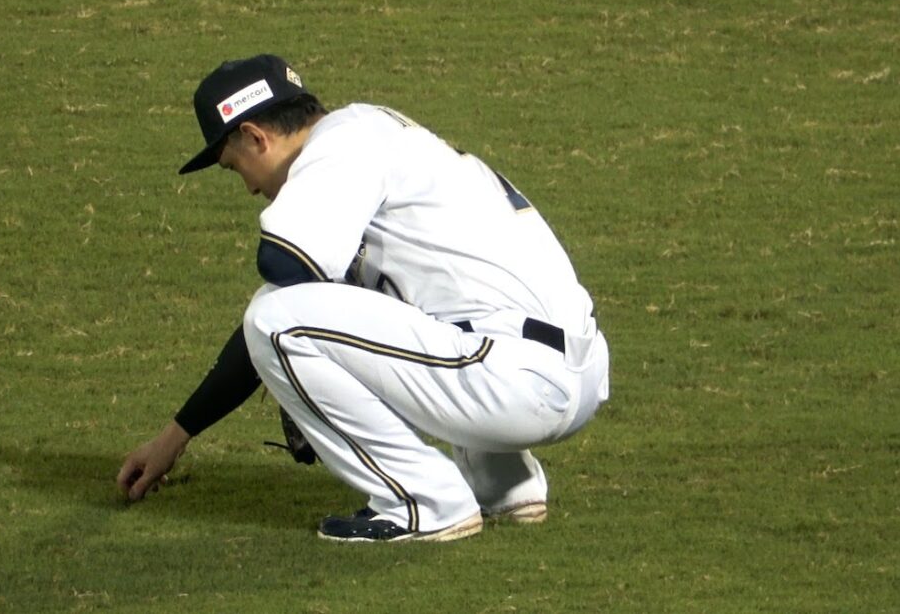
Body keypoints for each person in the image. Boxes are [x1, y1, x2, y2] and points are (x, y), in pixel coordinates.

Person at [116, 54, 611, 542]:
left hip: (516, 381)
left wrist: (311, 384)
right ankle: (506, 485)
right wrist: (175, 436)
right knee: (388, 302)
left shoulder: (342, 146)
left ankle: (425, 505)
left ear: (254, 136)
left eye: (234, 166)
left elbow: (281, 276)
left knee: (277, 319)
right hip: (562, 372)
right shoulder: (379, 135)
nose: (248, 188)